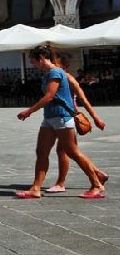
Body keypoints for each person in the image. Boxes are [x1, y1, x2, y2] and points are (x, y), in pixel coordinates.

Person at [15, 45, 105, 200]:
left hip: (62, 117)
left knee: (72, 152)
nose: (33, 64)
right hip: (50, 118)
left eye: (33, 61)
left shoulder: (56, 72)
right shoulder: (48, 74)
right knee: (41, 152)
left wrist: (29, 111)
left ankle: (97, 184)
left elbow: (50, 96)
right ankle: (35, 188)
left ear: (42, 58)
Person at [45, 53, 108, 194]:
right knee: (69, 150)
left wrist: (96, 117)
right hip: (65, 116)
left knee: (69, 151)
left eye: (56, 63)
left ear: (64, 66)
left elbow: (83, 99)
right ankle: (98, 173)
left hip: (68, 117)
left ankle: (61, 183)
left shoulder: (67, 78)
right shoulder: (56, 77)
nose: (53, 65)